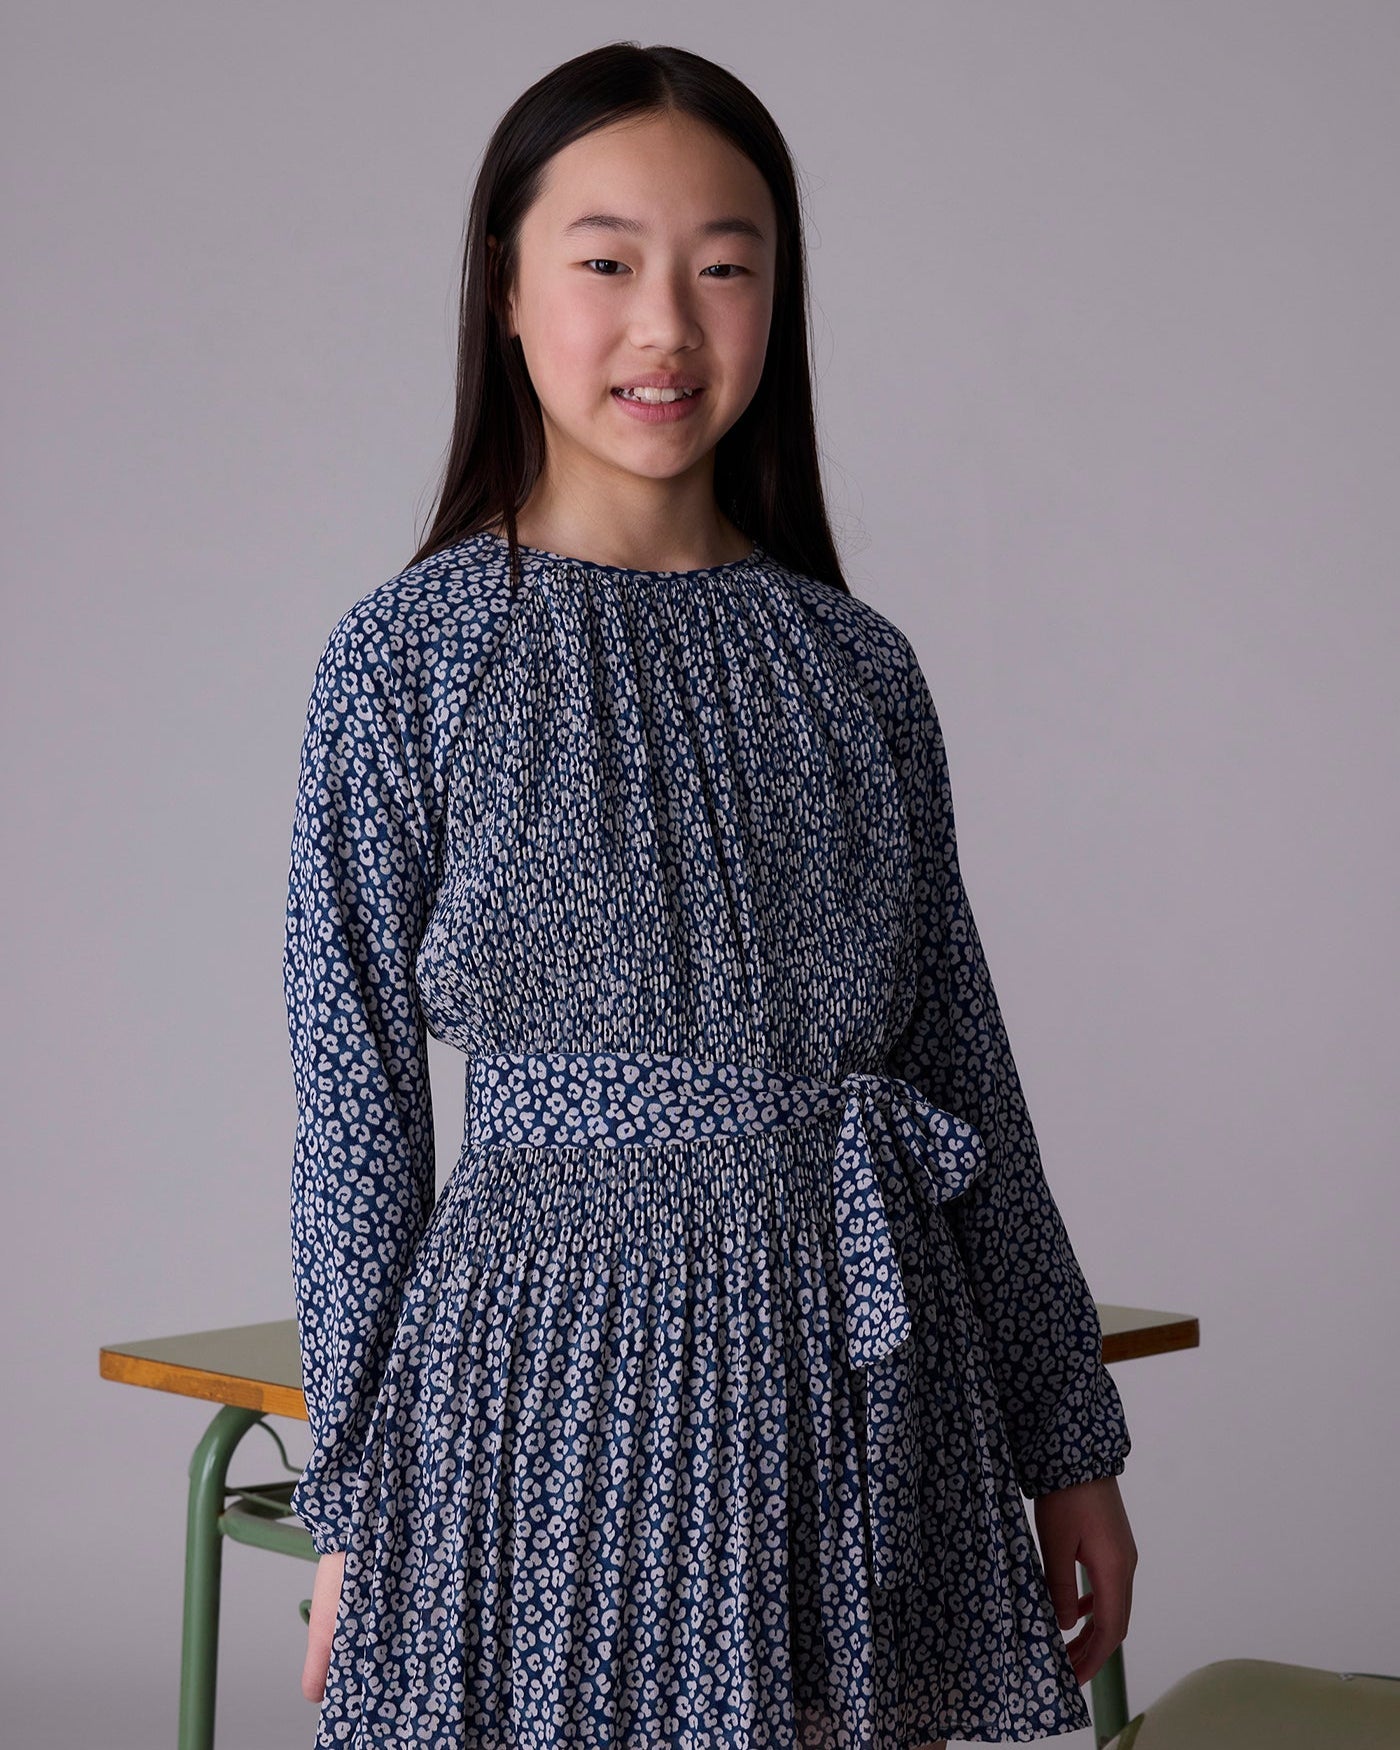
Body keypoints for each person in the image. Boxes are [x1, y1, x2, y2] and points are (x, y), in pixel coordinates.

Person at [283, 39, 1137, 1750]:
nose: (667, 325)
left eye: (725, 268)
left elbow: (967, 1070)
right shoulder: (408, 660)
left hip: (851, 1383)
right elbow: (353, 1108)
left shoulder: (858, 668)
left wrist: (1071, 1447)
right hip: (542, 1391)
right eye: (607, 263)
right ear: (506, 289)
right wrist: (357, 1500)